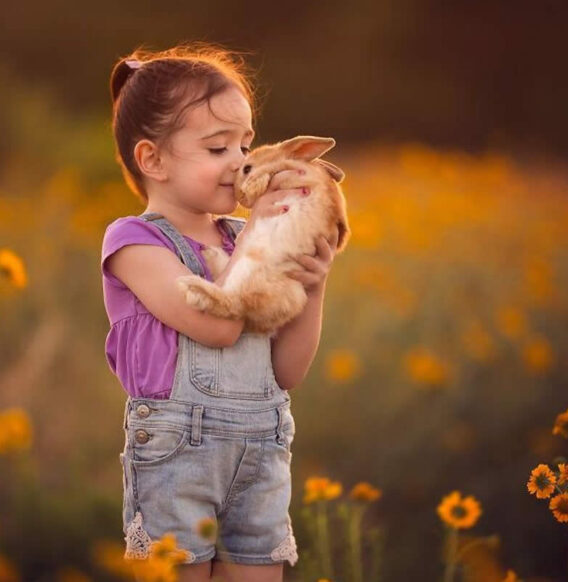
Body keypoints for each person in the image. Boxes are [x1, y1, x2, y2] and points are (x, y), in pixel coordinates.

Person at [101, 43, 339, 582]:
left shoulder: (240, 237)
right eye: (217, 148)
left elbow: (286, 372)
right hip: (177, 462)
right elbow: (220, 324)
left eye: (247, 143)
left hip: (262, 455)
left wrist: (312, 287)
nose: (240, 162)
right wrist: (259, 237)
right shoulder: (135, 243)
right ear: (153, 161)